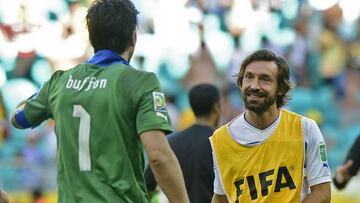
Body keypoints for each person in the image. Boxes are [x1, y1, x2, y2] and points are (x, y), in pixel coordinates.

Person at [10, 0, 189, 202]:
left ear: (92, 38)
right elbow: (158, 156)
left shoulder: (59, 82)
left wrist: (46, 97)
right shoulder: (141, 83)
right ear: (133, 37)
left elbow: (17, 118)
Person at [210, 49, 331, 203]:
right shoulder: (221, 140)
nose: (254, 86)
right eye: (249, 77)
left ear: (281, 88)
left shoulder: (304, 128)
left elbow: (322, 193)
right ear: (241, 84)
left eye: (264, 79)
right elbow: (221, 198)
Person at [145, 83, 221, 203]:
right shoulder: (223, 143)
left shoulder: (171, 143)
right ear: (216, 107)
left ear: (191, 107)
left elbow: (147, 187)